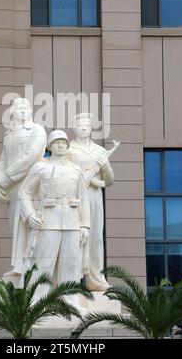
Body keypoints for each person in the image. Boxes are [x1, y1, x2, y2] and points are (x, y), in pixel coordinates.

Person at [18, 130, 90, 305]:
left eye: (64, 142)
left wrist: (85, 226)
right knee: (43, 264)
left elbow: (84, 200)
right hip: (48, 222)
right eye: (57, 142)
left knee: (71, 265)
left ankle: (71, 302)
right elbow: (24, 193)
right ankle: (36, 302)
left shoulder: (75, 170)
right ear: (50, 146)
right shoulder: (41, 167)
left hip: (72, 223)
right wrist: (30, 214)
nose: (60, 145)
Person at [0, 98, 47, 275]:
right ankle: (19, 267)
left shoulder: (37, 130)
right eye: (19, 108)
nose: (23, 111)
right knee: (15, 225)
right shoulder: (9, 134)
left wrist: (6, 179)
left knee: (29, 224)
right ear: (12, 113)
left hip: (30, 185)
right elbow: (3, 160)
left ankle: (32, 268)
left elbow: (30, 158)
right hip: (13, 189)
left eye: (26, 108)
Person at [67, 113, 118, 291]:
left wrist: (104, 171)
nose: (84, 128)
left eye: (87, 125)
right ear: (74, 128)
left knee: (95, 237)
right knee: (73, 236)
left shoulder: (99, 151)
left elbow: (109, 181)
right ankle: (71, 279)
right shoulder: (68, 149)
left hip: (94, 198)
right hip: (74, 197)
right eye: (80, 125)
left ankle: (95, 277)